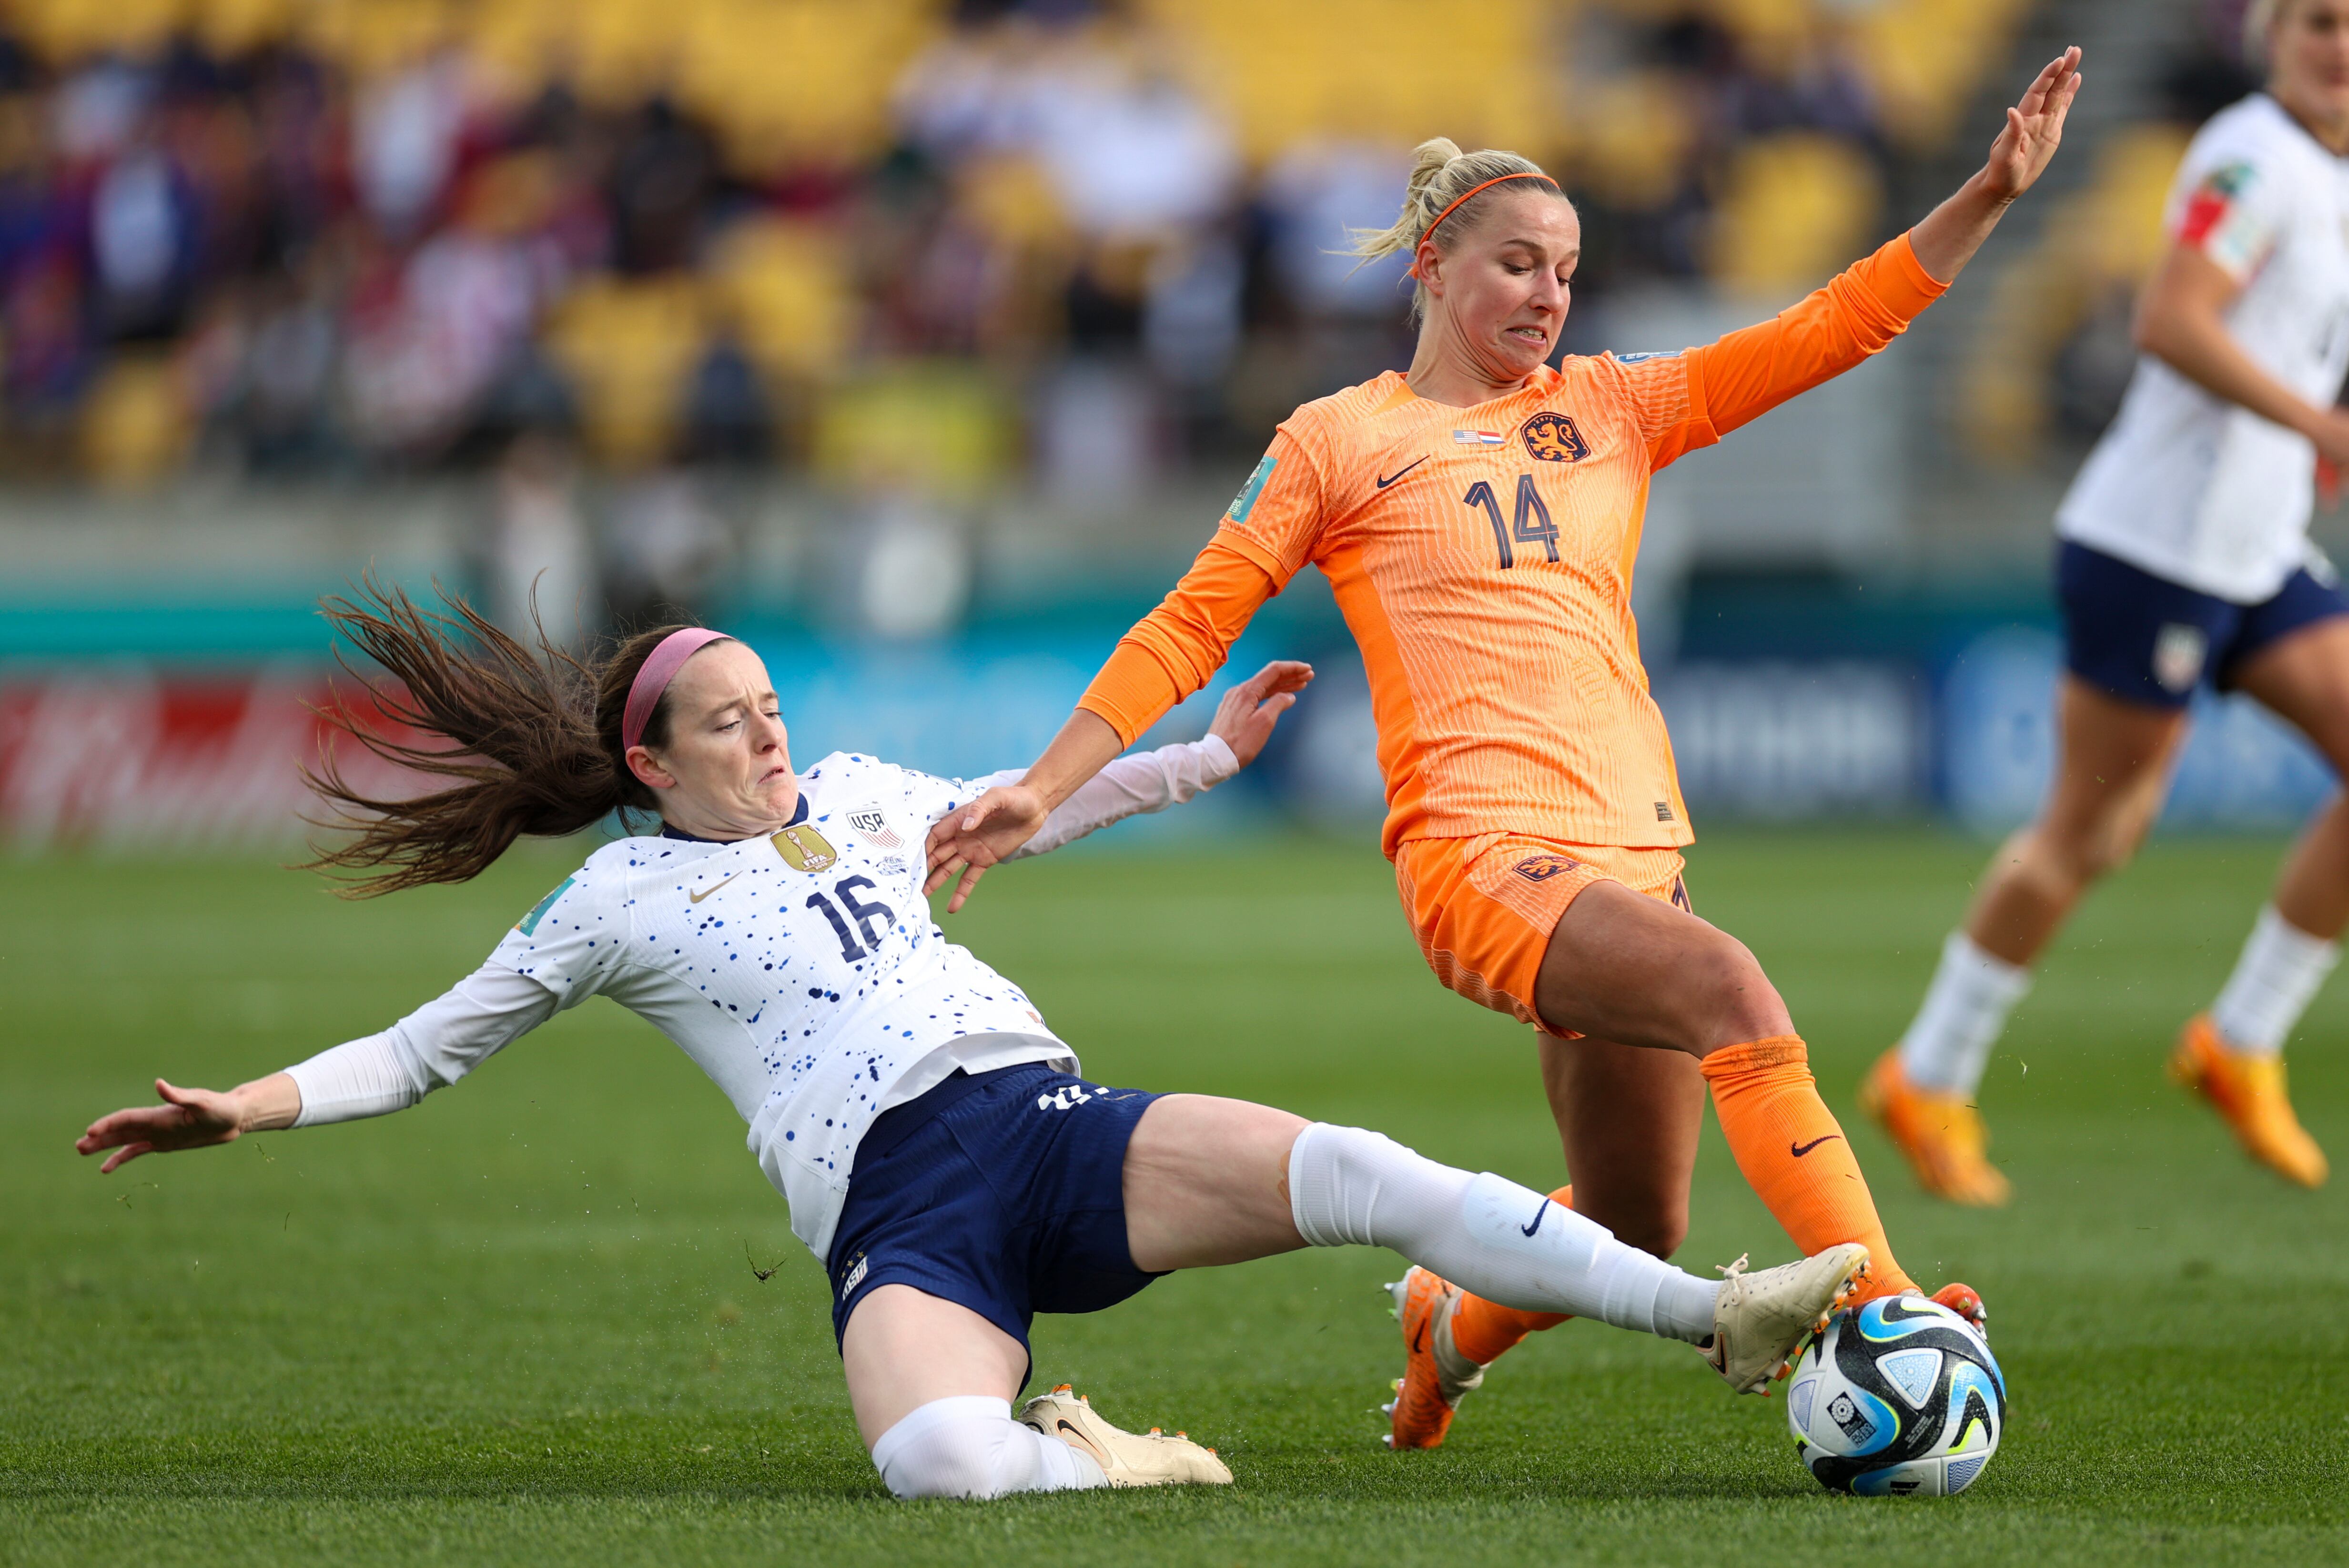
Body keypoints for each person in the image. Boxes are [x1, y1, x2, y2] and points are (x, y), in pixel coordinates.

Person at [75, 588, 1870, 1501]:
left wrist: (1207, 760)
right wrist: (249, 1105)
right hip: (901, 1218)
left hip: (1042, 1119)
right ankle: (1110, 1454)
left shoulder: (859, 795)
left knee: (1365, 1172)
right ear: (651, 763)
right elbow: (422, 1047)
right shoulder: (613, 907)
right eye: (731, 722)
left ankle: (1722, 1313)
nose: (772, 735)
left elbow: (1030, 811)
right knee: (939, 1467)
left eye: (774, 706)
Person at [923, 52, 2085, 1451]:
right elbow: (1190, 622)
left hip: (1628, 860)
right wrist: (1044, 786)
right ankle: (1896, 1308)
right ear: (1433, 261)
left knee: (1633, 1218)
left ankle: (1446, 1321)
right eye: (1519, 264)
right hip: (1482, 857)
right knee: (1734, 988)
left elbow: (1832, 327)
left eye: (1567, 271)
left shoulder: (1613, 406)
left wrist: (1986, 196)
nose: (1547, 295)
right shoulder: (1339, 440)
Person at [1869, 2, 2346, 1205]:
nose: (2334, 45)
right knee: (2093, 835)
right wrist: (2315, 425)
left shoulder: (2321, 172)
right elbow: (2170, 319)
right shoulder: (2250, 154)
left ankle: (2237, 1041)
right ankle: (1927, 1071)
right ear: (2269, 38)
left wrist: (2303, 447)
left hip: (2250, 544)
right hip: (2155, 548)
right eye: (2315, 22)